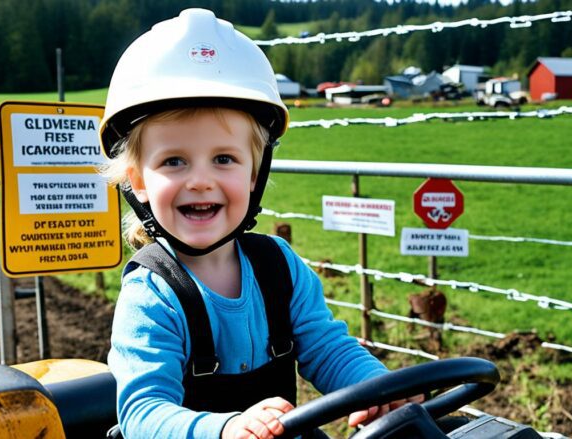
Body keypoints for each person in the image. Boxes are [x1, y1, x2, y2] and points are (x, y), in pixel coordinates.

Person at [100, 9, 413, 439]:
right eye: (174, 161)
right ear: (138, 182)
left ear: (254, 174)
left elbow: (327, 347)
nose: (200, 180)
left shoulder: (278, 267)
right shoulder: (152, 295)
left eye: (224, 159)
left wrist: (377, 388)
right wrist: (226, 430)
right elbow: (143, 413)